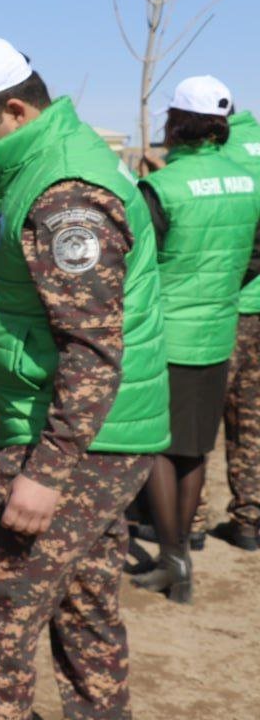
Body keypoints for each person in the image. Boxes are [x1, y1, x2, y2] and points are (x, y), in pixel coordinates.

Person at [0, 35, 170, 720]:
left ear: (13, 109)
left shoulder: (67, 193)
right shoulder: (35, 163)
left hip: (73, 435)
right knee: (84, 602)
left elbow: (94, 349)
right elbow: (64, 302)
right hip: (102, 431)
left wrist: (47, 470)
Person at [131, 75, 260, 598]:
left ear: (176, 122)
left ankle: (173, 558)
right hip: (218, 331)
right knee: (195, 450)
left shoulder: (161, 186)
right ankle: (179, 553)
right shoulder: (248, 183)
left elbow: (137, 267)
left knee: (158, 446)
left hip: (167, 335)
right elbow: (255, 255)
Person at [220, 102, 260, 551]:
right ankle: (249, 520)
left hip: (226, 308)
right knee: (252, 418)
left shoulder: (219, 154)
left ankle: (187, 524)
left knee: (199, 414)